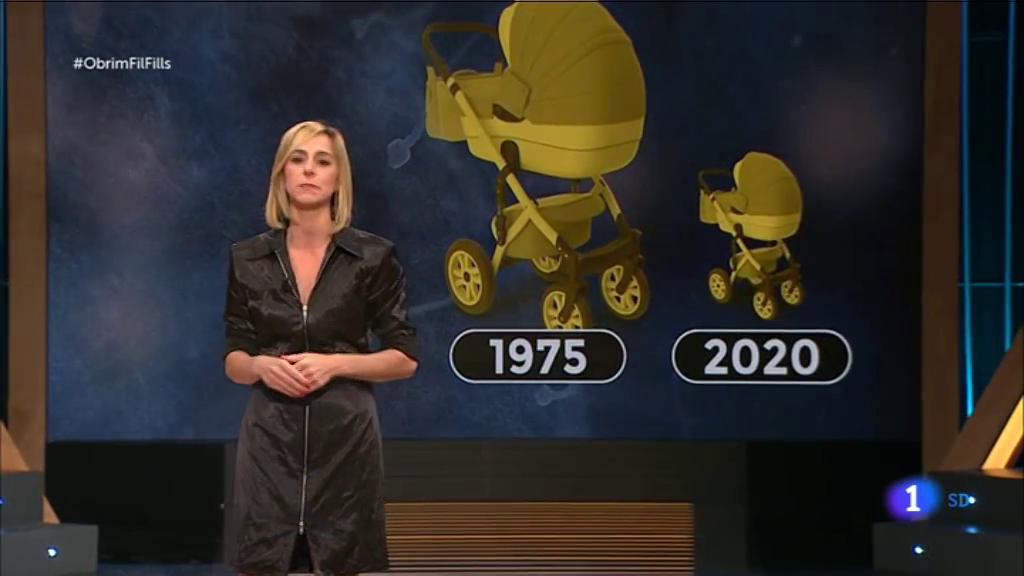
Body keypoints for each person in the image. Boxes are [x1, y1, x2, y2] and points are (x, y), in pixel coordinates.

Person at [223, 120, 418, 575]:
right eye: (298, 159)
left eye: (322, 161)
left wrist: (334, 365)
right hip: (270, 445)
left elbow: (404, 357)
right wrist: (260, 367)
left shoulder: (372, 257)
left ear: (338, 177)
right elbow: (234, 356)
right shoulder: (247, 258)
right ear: (282, 173)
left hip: (346, 446)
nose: (309, 169)